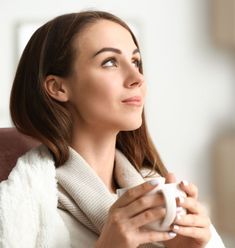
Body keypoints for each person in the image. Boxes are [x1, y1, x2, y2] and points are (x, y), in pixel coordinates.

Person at [0, 10, 225, 248]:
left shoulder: (162, 200)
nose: (136, 77)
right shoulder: (21, 207)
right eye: (110, 62)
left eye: (136, 62)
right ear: (57, 87)